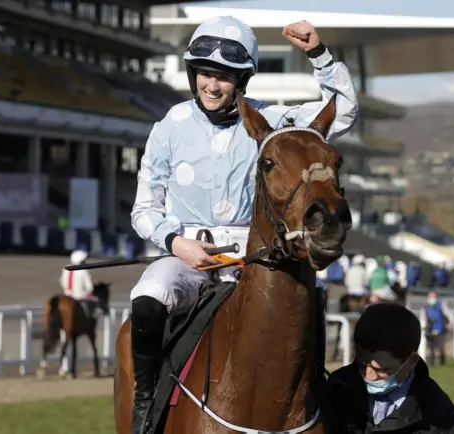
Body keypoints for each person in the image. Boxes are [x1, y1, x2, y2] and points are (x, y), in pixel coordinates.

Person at [128, 15, 359, 434]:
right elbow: (144, 208)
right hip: (186, 257)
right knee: (147, 297)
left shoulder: (271, 125)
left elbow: (340, 115)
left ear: (243, 81)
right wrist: (177, 244)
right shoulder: (169, 127)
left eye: (224, 78)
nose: (211, 86)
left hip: (253, 256)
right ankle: (145, 402)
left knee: (310, 298)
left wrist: (319, 55)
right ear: (192, 74)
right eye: (204, 74)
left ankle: (316, 395)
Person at [326, 303, 454, 433]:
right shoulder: (333, 391)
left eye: (381, 370)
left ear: (411, 361)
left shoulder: (443, 419)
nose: (369, 376)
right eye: (362, 365)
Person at [424, 291, 451, 367]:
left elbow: (448, 315)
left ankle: (442, 360)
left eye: (433, 296)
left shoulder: (441, 305)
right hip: (430, 329)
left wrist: (448, 323)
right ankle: (432, 362)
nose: (431, 298)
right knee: (432, 347)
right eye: (430, 296)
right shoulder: (426, 306)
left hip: (440, 329)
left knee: (440, 346)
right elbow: (425, 317)